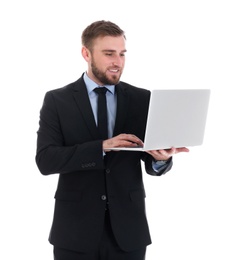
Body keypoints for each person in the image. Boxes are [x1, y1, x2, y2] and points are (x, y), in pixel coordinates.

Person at [35, 20, 189, 260]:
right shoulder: (58, 101)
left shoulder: (142, 99)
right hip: (74, 232)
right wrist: (101, 147)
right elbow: (46, 160)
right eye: (109, 54)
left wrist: (161, 160)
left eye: (122, 54)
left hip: (128, 232)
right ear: (86, 53)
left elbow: (149, 161)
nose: (118, 62)